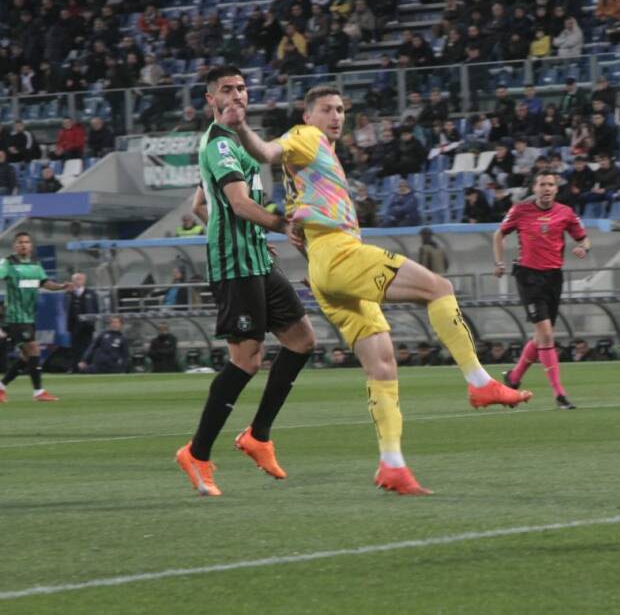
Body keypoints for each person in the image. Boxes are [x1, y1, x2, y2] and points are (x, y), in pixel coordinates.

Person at [229, 84, 531, 496]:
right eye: (327, 109)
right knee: (438, 287)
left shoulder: (320, 155)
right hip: (339, 256)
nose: (336, 116)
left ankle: (393, 465)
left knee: (382, 364)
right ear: (308, 115)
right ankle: (479, 382)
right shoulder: (306, 137)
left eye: (340, 110)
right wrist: (242, 126)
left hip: (324, 268)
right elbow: (266, 152)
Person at [175, 66, 317, 497]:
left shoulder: (238, 142)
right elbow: (237, 204)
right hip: (235, 266)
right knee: (247, 361)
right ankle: (197, 455)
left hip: (254, 257)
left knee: (302, 340)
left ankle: (258, 435)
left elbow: (202, 203)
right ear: (210, 99)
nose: (236, 95)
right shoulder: (219, 144)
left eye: (241, 88)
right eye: (226, 90)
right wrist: (278, 225)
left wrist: (255, 231)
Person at [493, 171, 591, 409]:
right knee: (546, 334)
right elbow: (499, 234)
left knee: (541, 337)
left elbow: (584, 238)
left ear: (556, 189)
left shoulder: (565, 213)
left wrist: (583, 248)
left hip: (553, 277)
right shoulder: (520, 210)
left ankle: (514, 377)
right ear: (534, 188)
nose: (546, 188)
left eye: (550, 185)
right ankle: (559, 394)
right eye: (542, 184)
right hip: (528, 275)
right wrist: (499, 262)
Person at [0, 232, 72, 403]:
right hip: (15, 316)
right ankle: (38, 392)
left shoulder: (36, 265)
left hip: (28, 316)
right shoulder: (8, 263)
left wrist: (61, 286)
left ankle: (2, 387)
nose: (23, 245)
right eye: (20, 242)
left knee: (27, 356)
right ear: (15, 246)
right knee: (34, 349)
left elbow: (45, 283)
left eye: (26, 242)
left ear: (31, 246)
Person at [64, 271, 99, 370]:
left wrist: (92, 321)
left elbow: (96, 308)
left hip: (87, 325)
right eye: (76, 279)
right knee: (74, 347)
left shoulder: (91, 294)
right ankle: (74, 367)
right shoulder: (68, 294)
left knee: (88, 347)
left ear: (84, 280)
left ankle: (87, 367)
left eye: (80, 279)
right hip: (74, 325)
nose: (78, 281)